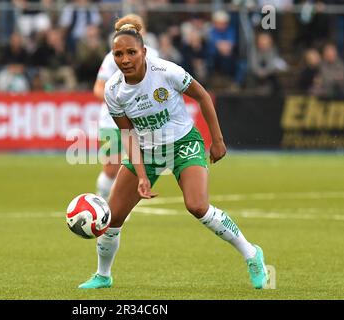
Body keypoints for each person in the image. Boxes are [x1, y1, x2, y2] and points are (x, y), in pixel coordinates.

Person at [79, 18, 269, 290]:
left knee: (197, 206)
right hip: (145, 150)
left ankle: (252, 254)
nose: (125, 59)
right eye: (118, 54)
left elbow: (202, 96)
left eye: (131, 52)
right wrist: (142, 175)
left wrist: (217, 140)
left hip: (183, 144)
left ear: (144, 52)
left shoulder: (166, 71)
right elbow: (128, 135)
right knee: (112, 218)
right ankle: (103, 275)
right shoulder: (113, 90)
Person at [93, 14, 159, 201]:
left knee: (135, 166)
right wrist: (119, 104)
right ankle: (101, 201)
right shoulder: (111, 58)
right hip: (111, 121)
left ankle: (119, 205)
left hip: (140, 121)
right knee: (111, 167)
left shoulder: (152, 55)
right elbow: (98, 88)